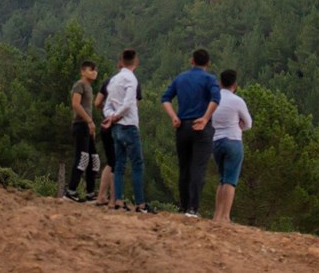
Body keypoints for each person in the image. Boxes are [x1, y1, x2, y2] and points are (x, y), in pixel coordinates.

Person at [161, 48, 220, 217]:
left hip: (183, 126)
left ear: (191, 61)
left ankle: (183, 206)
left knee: (184, 168)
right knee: (198, 168)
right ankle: (193, 208)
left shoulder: (181, 78)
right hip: (201, 127)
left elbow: (165, 98)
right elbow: (216, 99)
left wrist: (173, 116)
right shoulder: (210, 79)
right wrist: (205, 118)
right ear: (208, 63)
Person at [101, 49, 150, 213]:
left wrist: (111, 116)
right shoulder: (131, 79)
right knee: (137, 164)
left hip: (116, 127)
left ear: (121, 61)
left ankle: (118, 200)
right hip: (128, 125)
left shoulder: (114, 80)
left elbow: (106, 105)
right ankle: (140, 203)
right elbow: (129, 103)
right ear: (136, 62)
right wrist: (117, 116)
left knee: (119, 164)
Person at [211, 69, 252, 223]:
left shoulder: (213, 99)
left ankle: (217, 216)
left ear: (220, 83)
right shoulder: (237, 101)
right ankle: (226, 216)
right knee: (230, 180)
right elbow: (248, 123)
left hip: (216, 141)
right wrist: (239, 125)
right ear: (235, 85)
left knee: (222, 179)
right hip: (233, 140)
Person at [64, 60, 100, 202]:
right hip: (80, 125)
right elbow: (76, 104)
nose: (94, 72)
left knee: (94, 160)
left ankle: (90, 193)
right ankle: (71, 191)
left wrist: (91, 125)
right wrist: (89, 121)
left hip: (87, 127)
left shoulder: (89, 88)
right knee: (82, 158)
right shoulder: (79, 85)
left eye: (95, 70)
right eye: (91, 70)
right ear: (83, 71)